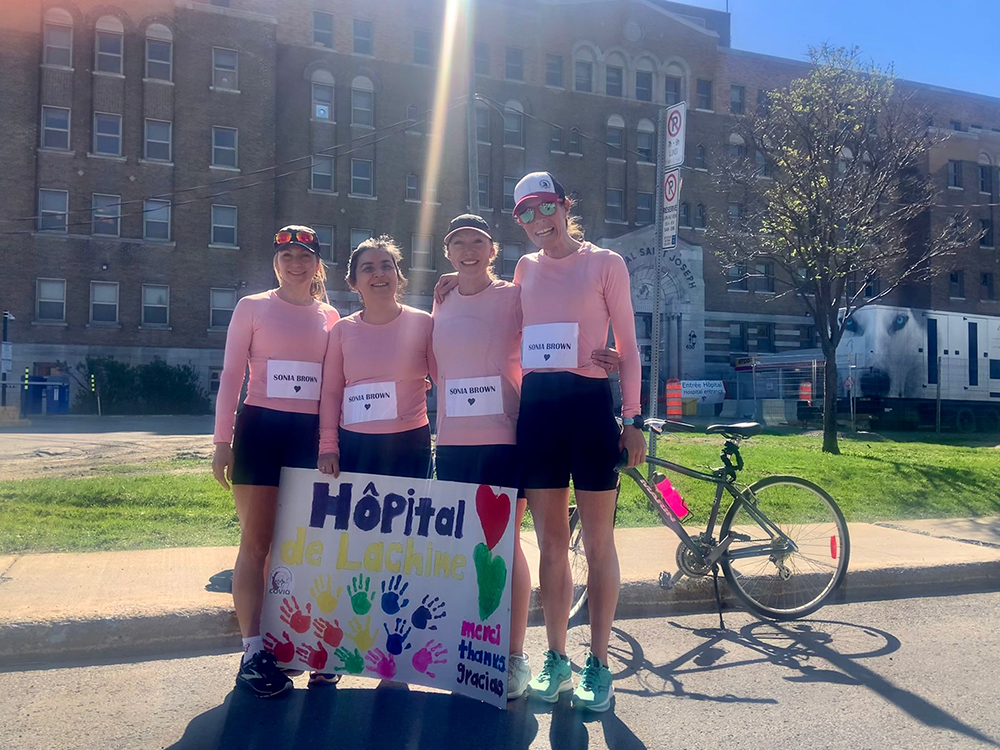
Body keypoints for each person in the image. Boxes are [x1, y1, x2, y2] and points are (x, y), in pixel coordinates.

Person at [431, 214, 621, 701]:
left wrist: (610, 355)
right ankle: (505, 654)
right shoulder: (443, 299)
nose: (468, 249)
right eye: (458, 242)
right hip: (477, 436)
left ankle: (548, 660)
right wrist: (457, 283)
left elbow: (570, 314)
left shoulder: (520, 289)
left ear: (494, 250)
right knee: (497, 547)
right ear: (446, 251)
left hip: (527, 427)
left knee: (528, 546)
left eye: (477, 241)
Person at [212, 225, 340, 698]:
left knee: (302, 550)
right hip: (260, 431)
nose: (296, 263)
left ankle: (296, 644)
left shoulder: (331, 316)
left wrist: (329, 443)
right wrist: (221, 441)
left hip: (307, 438)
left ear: (317, 264)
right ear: (275, 262)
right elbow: (230, 377)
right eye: (286, 254)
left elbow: (333, 386)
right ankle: (252, 653)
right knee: (257, 544)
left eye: (305, 255)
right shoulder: (253, 308)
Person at [318, 236, 434, 480]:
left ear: (397, 274)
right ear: (354, 281)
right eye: (368, 268)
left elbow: (444, 380)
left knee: (408, 518)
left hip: (410, 443)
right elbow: (330, 393)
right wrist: (328, 447)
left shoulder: (424, 323)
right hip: (355, 444)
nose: (379, 274)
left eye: (386, 266)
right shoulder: (341, 330)